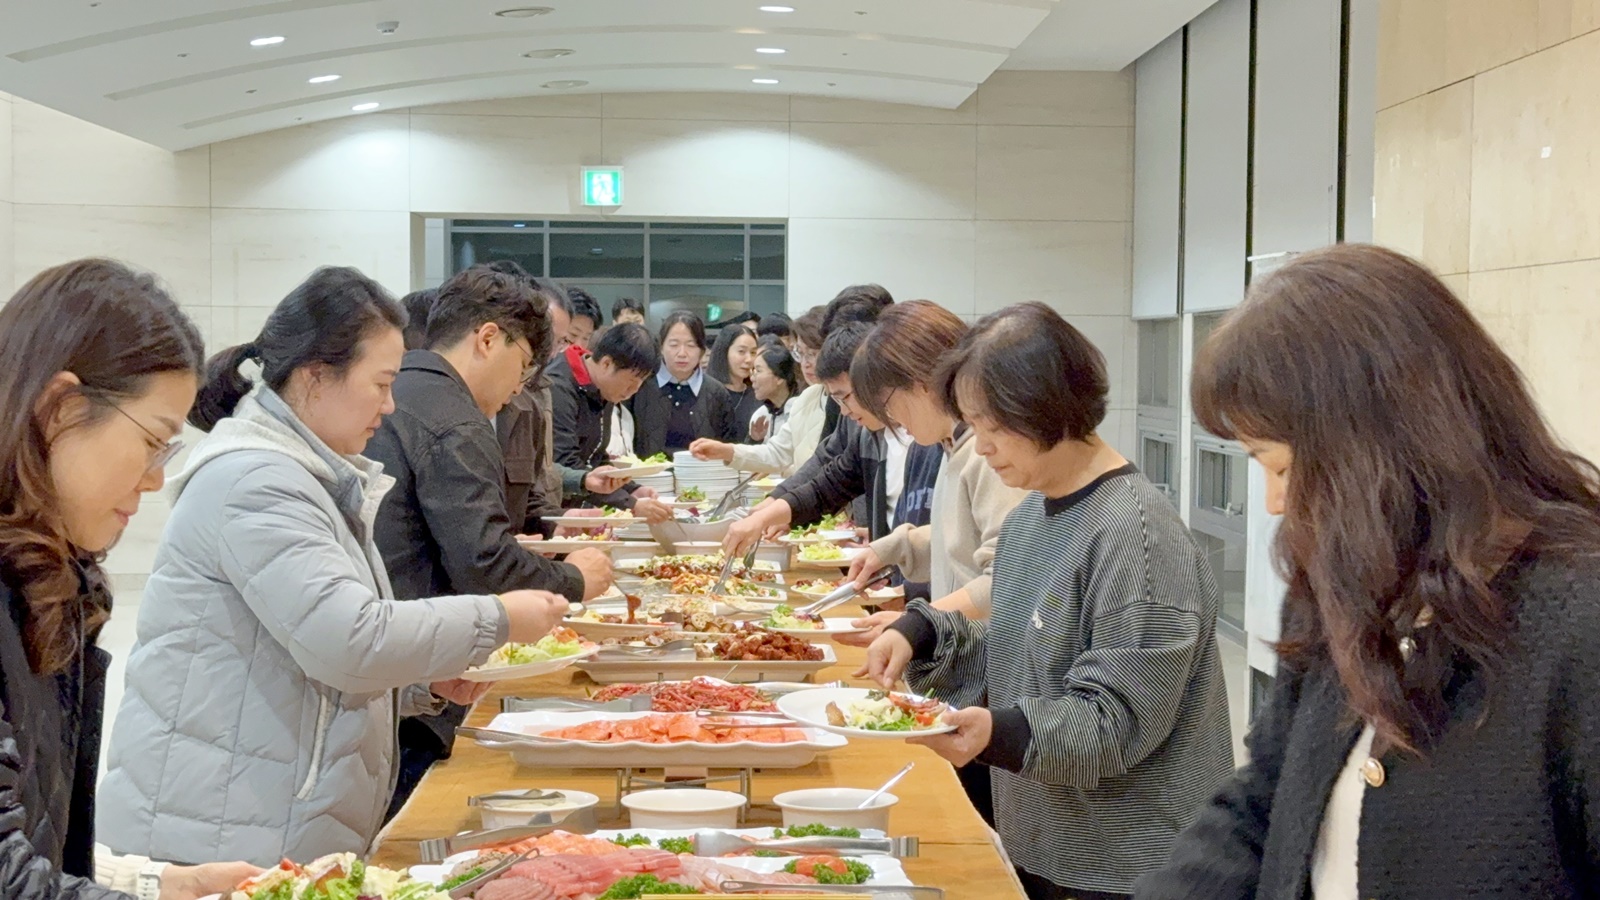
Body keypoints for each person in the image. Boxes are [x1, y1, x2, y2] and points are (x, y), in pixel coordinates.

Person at [1139, 245, 1600, 899]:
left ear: (1374, 449)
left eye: (1280, 466)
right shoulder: (1348, 587)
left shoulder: (1577, 625)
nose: (1274, 502)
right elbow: (1266, 797)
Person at [97, 266, 571, 866]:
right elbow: (349, 639)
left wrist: (420, 683)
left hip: (259, 820)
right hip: (221, 834)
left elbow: (302, 646)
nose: (390, 405)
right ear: (316, 375)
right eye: (381, 384)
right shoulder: (256, 481)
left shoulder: (309, 477)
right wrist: (497, 617)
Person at [860, 302, 1232, 899]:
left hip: (1125, 866)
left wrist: (994, 732)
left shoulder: (1135, 534)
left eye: (992, 426)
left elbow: (1115, 720)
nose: (981, 448)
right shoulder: (1032, 514)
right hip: (1046, 842)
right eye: (972, 425)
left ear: (1046, 405)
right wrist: (922, 632)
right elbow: (1023, 651)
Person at [0, 259, 259, 900]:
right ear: (62, 409)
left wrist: (161, 884)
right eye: (152, 441)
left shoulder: (53, 575)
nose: (153, 478)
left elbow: (31, 837)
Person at [363, 264, 613, 815]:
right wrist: (576, 579)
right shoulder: (455, 417)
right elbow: (485, 563)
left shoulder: (402, 391)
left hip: (394, 669)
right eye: (523, 366)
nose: (519, 388)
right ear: (488, 338)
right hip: (413, 671)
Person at [835, 301, 1031, 825]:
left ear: (922, 383)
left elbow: (1007, 579)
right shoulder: (953, 447)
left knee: (971, 819)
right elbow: (954, 540)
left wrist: (920, 623)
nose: (890, 419)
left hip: (988, 676)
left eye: (888, 402)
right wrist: (894, 547)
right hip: (965, 665)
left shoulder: (986, 455)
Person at [548, 323, 671, 519]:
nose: (634, 391)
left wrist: (632, 489)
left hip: (579, 508)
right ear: (606, 364)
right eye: (631, 382)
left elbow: (596, 457)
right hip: (553, 510)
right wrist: (630, 504)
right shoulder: (559, 387)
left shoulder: (603, 387)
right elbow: (565, 462)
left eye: (640, 384)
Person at [689, 307, 828, 476]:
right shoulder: (807, 398)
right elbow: (777, 453)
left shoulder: (841, 401)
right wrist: (728, 451)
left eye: (812, 354)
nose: (805, 363)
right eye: (800, 353)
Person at [498, 275, 573, 537]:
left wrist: (555, 521)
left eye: (561, 341)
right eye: (548, 336)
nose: (550, 350)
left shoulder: (540, 390)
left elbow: (535, 481)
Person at [627, 310, 741, 459]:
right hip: (648, 473)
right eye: (674, 345)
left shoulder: (717, 393)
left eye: (690, 345)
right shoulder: (640, 385)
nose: (682, 353)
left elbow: (728, 447)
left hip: (702, 472)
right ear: (661, 347)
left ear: (702, 351)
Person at [744, 339, 802, 443]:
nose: (752, 378)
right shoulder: (760, 415)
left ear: (779, 377)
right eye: (753, 371)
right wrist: (754, 440)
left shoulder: (802, 410)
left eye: (758, 371)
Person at [708, 324, 762, 436]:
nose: (749, 359)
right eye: (741, 351)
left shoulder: (758, 394)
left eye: (753, 353)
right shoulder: (708, 392)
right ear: (724, 352)